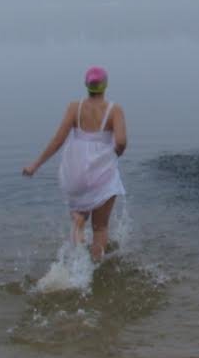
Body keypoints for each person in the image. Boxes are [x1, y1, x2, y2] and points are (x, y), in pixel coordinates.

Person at [23, 66, 127, 260]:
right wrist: (115, 154)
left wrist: (35, 165)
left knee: (79, 219)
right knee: (100, 227)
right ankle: (93, 267)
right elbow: (120, 141)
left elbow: (58, 140)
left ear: (86, 85)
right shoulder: (114, 110)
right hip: (102, 170)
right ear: (106, 86)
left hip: (76, 170)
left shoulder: (74, 107)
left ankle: (77, 258)